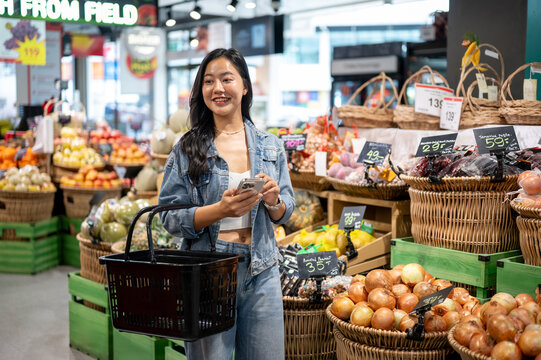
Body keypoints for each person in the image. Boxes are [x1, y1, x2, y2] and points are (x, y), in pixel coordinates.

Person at [159, 48, 295, 360]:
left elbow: (288, 206)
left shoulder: (270, 146)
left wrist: (274, 201)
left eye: (226, 79)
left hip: (262, 271)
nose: (218, 88)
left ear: (244, 86)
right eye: (208, 81)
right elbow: (168, 217)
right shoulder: (187, 148)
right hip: (208, 273)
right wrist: (220, 211)